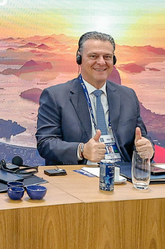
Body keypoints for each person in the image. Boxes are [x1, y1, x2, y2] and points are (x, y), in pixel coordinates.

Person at [36, 31, 154, 165]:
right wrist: (82, 150)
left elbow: (142, 138)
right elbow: (45, 143)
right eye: (93, 56)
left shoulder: (128, 95)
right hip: (79, 173)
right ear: (79, 59)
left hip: (123, 172)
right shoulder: (55, 96)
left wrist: (147, 148)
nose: (101, 62)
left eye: (107, 57)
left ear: (114, 60)